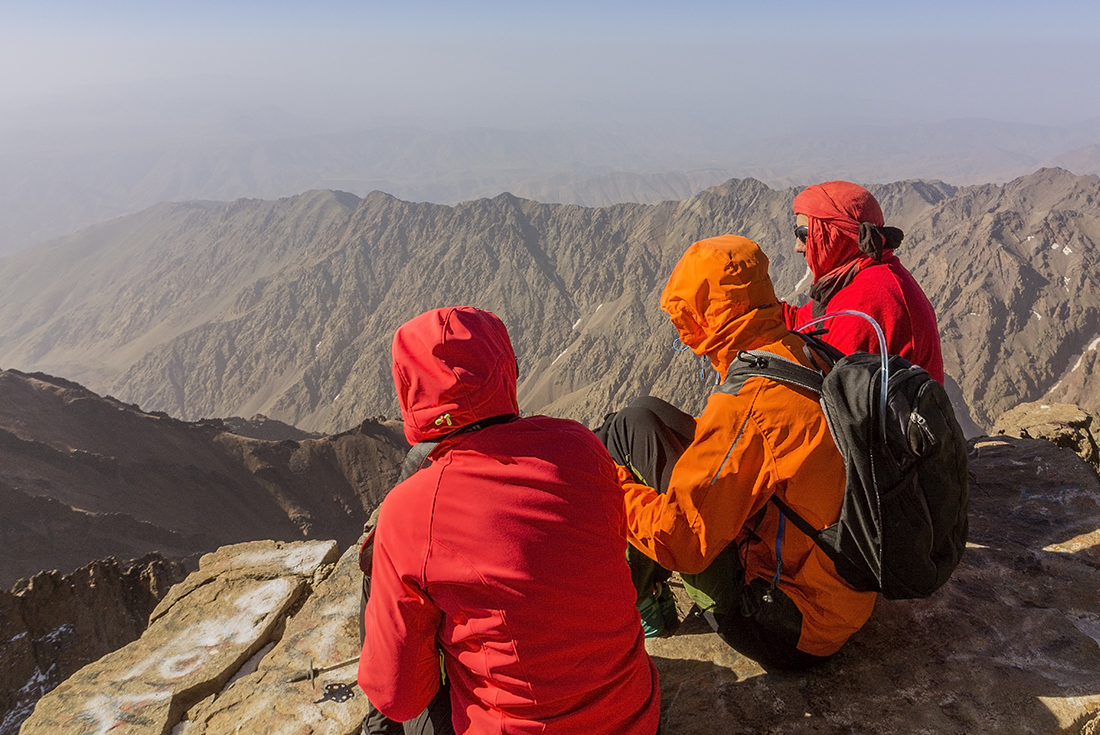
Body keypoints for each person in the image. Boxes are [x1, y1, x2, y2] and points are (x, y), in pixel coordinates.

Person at [357, 306, 661, 734]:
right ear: (506, 368)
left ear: (409, 389)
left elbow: (399, 699)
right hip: (635, 717)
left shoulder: (409, 511)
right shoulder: (581, 445)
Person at [598, 235, 876, 671]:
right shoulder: (805, 352)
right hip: (842, 595)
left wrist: (613, 491)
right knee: (639, 417)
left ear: (704, 316)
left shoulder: (747, 405)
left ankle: (636, 606)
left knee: (618, 442)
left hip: (786, 624)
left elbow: (684, 545)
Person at [784, 180, 945, 383]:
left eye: (804, 234)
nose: (797, 247)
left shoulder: (865, 302)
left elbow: (833, 390)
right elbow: (801, 323)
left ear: (835, 234)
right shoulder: (855, 278)